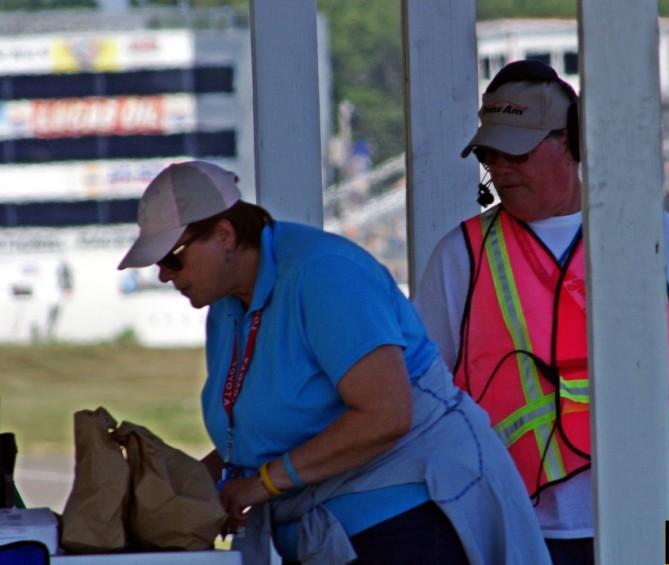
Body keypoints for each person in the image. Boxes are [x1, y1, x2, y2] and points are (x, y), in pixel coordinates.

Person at [117, 160, 551, 565]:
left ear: (226, 236)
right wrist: (192, 487)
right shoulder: (227, 303)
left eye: (173, 257)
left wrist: (261, 483)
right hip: (332, 526)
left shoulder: (323, 273)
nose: (164, 274)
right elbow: (267, 426)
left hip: (407, 517)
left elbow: (386, 414)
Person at [413, 61, 669, 565]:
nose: (501, 168)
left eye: (517, 151)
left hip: (647, 522)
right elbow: (421, 400)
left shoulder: (648, 235)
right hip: (516, 531)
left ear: (572, 141)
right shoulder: (460, 255)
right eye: (489, 153)